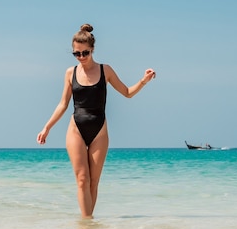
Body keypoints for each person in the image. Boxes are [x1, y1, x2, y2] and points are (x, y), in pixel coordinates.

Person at [37, 24, 156, 218]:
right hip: (76, 128)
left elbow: (127, 93)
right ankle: (86, 224)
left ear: (92, 50)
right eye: (77, 54)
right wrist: (46, 128)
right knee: (82, 179)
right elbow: (63, 104)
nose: (81, 57)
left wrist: (143, 81)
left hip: (99, 129)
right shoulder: (70, 73)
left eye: (85, 53)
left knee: (93, 181)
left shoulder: (105, 70)